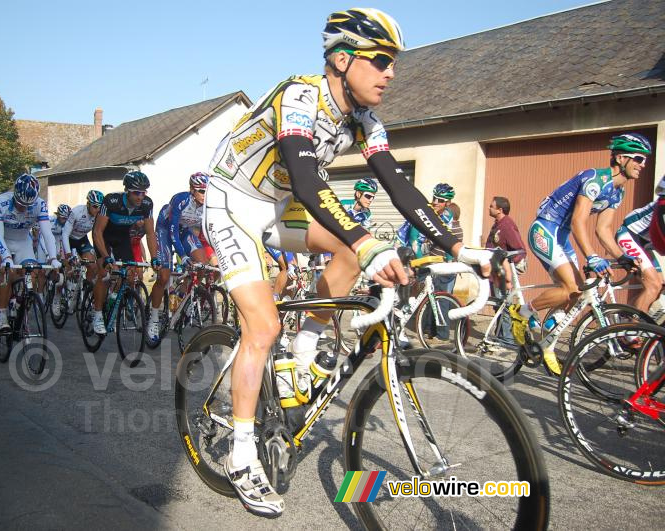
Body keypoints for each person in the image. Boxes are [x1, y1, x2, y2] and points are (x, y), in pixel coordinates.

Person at [202, 8, 490, 516]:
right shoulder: (300, 97)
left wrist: (456, 247)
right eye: (381, 60)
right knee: (263, 328)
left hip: (281, 202)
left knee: (343, 252)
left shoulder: (365, 120)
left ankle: (304, 352)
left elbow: (398, 184)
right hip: (234, 199)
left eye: (393, 62)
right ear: (341, 58)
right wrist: (366, 242)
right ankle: (242, 457)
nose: (391, 73)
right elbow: (309, 178)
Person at [509, 133, 650, 375]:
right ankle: (521, 312)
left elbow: (603, 230)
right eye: (638, 158)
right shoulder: (595, 179)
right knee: (571, 288)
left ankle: (547, 345)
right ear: (620, 158)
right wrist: (593, 256)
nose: (643, 164)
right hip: (545, 228)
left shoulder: (618, 193)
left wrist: (622, 258)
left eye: (645, 160)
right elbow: (578, 221)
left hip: (561, 236)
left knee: (578, 292)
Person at [0, 173, 61, 333]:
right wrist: (6, 257)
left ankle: (20, 304)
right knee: (6, 273)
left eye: (28, 205)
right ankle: (1, 317)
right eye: (20, 203)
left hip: (23, 242)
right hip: (1, 241)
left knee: (33, 271)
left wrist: (53, 258)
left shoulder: (40, 205)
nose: (23, 208)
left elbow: (47, 234)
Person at [148, 172, 211, 343]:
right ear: (192, 190)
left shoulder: (207, 205)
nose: (205, 195)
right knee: (164, 276)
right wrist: (182, 256)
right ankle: (153, 318)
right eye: (201, 191)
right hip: (165, 230)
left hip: (184, 232)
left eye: (207, 191)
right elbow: (172, 231)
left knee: (203, 266)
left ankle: (183, 293)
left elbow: (203, 230)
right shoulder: (181, 200)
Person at [93, 171, 157, 336]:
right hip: (104, 236)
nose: (140, 197)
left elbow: (150, 234)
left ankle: (114, 297)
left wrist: (154, 257)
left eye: (143, 192)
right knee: (105, 274)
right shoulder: (111, 201)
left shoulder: (147, 205)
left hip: (122, 238)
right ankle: (97, 314)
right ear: (127, 190)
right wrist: (106, 257)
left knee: (130, 274)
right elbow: (97, 232)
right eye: (136, 192)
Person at [614, 175, 665, 314]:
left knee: (659, 286)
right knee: (653, 285)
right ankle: (632, 331)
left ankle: (624, 319)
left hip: (645, 241)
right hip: (630, 233)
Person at [420, 183, 461, 344]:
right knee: (431, 299)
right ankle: (428, 328)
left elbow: (451, 248)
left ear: (448, 204)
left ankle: (442, 334)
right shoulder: (436, 220)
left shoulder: (453, 226)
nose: (435, 202)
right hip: (434, 266)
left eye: (440, 200)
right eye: (434, 198)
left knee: (442, 300)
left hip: (445, 268)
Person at [484, 196, 527, 343]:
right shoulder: (497, 224)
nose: (488, 208)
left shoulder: (507, 225)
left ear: (499, 210)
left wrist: (507, 263)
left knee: (505, 305)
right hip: (493, 272)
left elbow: (520, 250)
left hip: (502, 273)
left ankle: (507, 338)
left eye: (491, 206)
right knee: (499, 305)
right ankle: (500, 335)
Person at [61, 191, 103, 315]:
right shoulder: (77, 212)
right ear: (88, 204)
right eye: (95, 206)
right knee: (70, 267)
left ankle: (86, 290)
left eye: (100, 207)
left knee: (93, 265)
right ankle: (66, 292)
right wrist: (68, 254)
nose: (97, 209)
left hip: (82, 240)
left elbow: (98, 235)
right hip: (69, 239)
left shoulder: (99, 216)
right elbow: (65, 233)